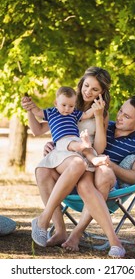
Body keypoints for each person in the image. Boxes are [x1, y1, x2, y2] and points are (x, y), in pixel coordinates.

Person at [22, 66, 125, 258]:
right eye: (86, 86)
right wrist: (49, 140)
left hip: (87, 157)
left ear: (102, 92)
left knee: (85, 184)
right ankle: (60, 230)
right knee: (43, 170)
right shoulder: (67, 103)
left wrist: (97, 114)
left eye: (95, 90)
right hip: (65, 157)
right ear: (81, 83)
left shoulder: (101, 113)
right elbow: (41, 128)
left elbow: (100, 147)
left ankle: (114, 241)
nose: (88, 92)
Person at [41, 94, 135, 254]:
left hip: (108, 188)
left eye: (126, 116)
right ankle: (59, 231)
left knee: (103, 171)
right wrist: (51, 145)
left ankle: (76, 234)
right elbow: (68, 135)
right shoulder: (104, 125)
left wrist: (109, 164)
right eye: (121, 111)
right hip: (79, 175)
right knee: (44, 169)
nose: (120, 117)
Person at [22, 86, 109, 170]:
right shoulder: (51, 113)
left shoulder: (73, 113)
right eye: (64, 105)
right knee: (75, 145)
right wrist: (30, 105)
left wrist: (95, 108)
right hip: (62, 140)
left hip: (75, 139)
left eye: (71, 106)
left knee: (86, 150)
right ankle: (83, 145)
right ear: (56, 103)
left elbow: (86, 114)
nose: (67, 109)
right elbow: (38, 112)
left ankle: (94, 160)